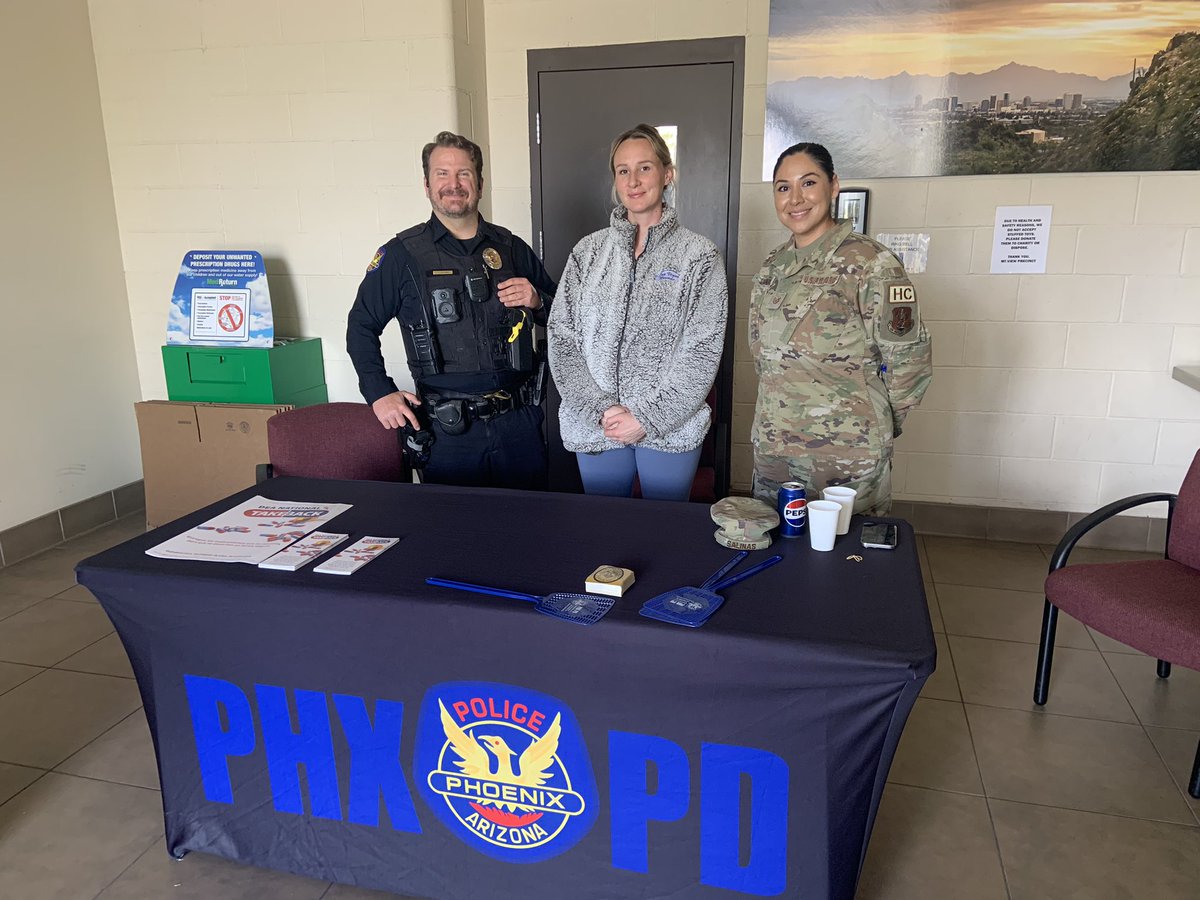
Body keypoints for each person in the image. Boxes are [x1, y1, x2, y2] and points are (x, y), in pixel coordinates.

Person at [346, 131, 556, 490]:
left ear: (480, 183)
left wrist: (537, 300)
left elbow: (565, 320)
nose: (453, 184)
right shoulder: (400, 255)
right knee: (453, 534)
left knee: (530, 531)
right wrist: (379, 392)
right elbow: (361, 327)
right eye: (442, 173)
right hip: (448, 433)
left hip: (518, 425)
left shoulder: (512, 249)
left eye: (464, 174)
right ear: (426, 185)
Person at [750, 142, 932, 515]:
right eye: (783, 187)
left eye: (809, 183)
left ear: (833, 186)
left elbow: (909, 361)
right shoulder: (773, 267)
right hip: (776, 449)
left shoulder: (872, 263)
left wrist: (874, 422)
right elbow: (764, 359)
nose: (795, 199)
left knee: (848, 564)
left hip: (847, 453)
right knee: (778, 559)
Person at [548, 124, 728, 502]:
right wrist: (598, 410)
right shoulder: (588, 252)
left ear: (667, 174)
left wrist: (647, 419)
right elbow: (562, 338)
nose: (633, 180)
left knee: (663, 530)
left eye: (645, 167)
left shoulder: (699, 256)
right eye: (623, 170)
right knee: (604, 528)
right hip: (599, 425)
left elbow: (703, 350)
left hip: (669, 427)